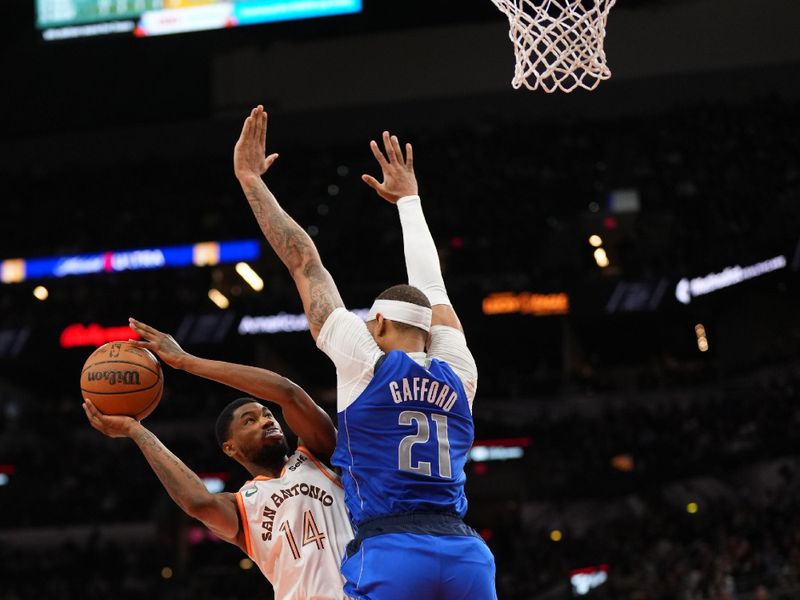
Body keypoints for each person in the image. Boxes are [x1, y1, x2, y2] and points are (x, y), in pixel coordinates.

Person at [234, 105, 497, 599]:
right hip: (465, 554)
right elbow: (433, 290)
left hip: (392, 549)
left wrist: (250, 179)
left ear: (376, 322)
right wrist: (409, 202)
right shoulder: (461, 372)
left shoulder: (365, 360)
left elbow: (303, 260)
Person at [82, 318, 354, 600]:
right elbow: (198, 502)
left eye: (267, 415)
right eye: (250, 421)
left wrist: (186, 362)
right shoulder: (243, 505)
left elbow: (288, 394)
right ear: (230, 448)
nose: (265, 421)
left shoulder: (318, 455)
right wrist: (136, 431)